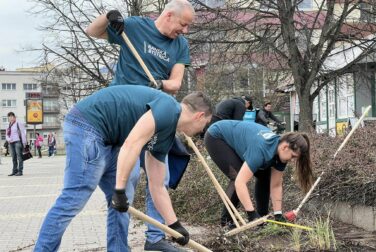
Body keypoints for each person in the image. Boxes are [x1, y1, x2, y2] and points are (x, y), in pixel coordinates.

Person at [34, 85, 212, 252]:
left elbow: (157, 186)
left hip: (110, 140)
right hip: (87, 124)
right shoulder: (169, 108)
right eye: (205, 124)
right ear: (199, 116)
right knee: (75, 196)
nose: (202, 131)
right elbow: (131, 144)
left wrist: (174, 225)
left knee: (122, 201)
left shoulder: (167, 134)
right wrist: (118, 189)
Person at [86, 0, 194, 250]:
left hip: (156, 115)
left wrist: (159, 84)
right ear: (168, 15)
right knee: (128, 178)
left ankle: (155, 238)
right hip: (124, 113)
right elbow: (92, 31)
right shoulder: (134, 28)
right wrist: (109, 16)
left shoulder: (180, 44)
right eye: (183, 24)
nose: (185, 30)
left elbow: (176, 83)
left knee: (161, 178)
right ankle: (119, 245)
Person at [204, 120, 313, 228]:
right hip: (217, 137)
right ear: (285, 147)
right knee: (237, 176)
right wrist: (251, 213)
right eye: (293, 156)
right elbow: (240, 183)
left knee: (265, 177)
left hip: (242, 142)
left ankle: (261, 218)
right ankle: (226, 223)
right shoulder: (261, 149)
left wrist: (278, 214)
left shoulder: (281, 155)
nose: (292, 160)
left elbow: (275, 185)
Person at [5, 112, 27, 176]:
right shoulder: (8, 125)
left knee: (19, 157)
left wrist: (24, 142)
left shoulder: (18, 123)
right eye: (9, 117)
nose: (10, 118)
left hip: (18, 142)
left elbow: (23, 133)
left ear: (14, 117)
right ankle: (14, 171)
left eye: (12, 116)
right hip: (11, 143)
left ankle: (20, 171)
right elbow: (6, 135)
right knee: (13, 157)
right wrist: (8, 139)